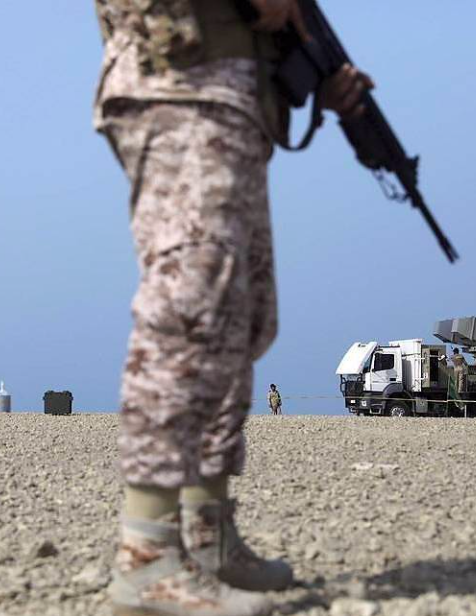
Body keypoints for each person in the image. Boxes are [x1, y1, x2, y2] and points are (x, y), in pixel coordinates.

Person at [92, 1, 374, 614]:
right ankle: (146, 557)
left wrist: (314, 70)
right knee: (189, 309)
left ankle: (207, 536)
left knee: (239, 322)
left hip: (236, 101)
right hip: (178, 83)